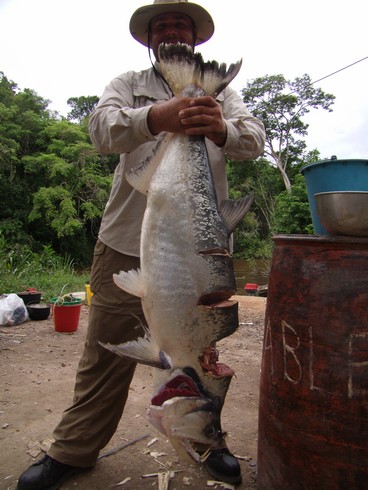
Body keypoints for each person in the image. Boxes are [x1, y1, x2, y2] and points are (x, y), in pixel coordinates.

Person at [17, 1, 265, 488]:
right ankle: (74, 449)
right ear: (148, 38)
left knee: (199, 351)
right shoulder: (127, 84)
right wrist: (158, 116)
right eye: (161, 26)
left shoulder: (225, 93)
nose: (171, 32)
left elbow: (252, 139)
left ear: (196, 38)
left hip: (200, 252)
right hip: (126, 238)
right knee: (103, 357)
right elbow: (100, 130)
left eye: (181, 25)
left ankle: (203, 439)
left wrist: (220, 127)